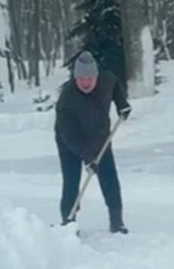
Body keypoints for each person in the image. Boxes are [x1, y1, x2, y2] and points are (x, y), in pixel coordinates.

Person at [54, 50, 132, 233]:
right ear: (75, 78)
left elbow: (115, 87)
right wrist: (89, 157)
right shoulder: (67, 99)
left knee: (109, 177)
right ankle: (68, 222)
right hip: (69, 142)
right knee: (71, 180)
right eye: (81, 79)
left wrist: (122, 104)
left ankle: (117, 221)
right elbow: (69, 136)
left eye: (90, 78)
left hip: (99, 136)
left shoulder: (106, 80)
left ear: (96, 76)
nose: (86, 83)